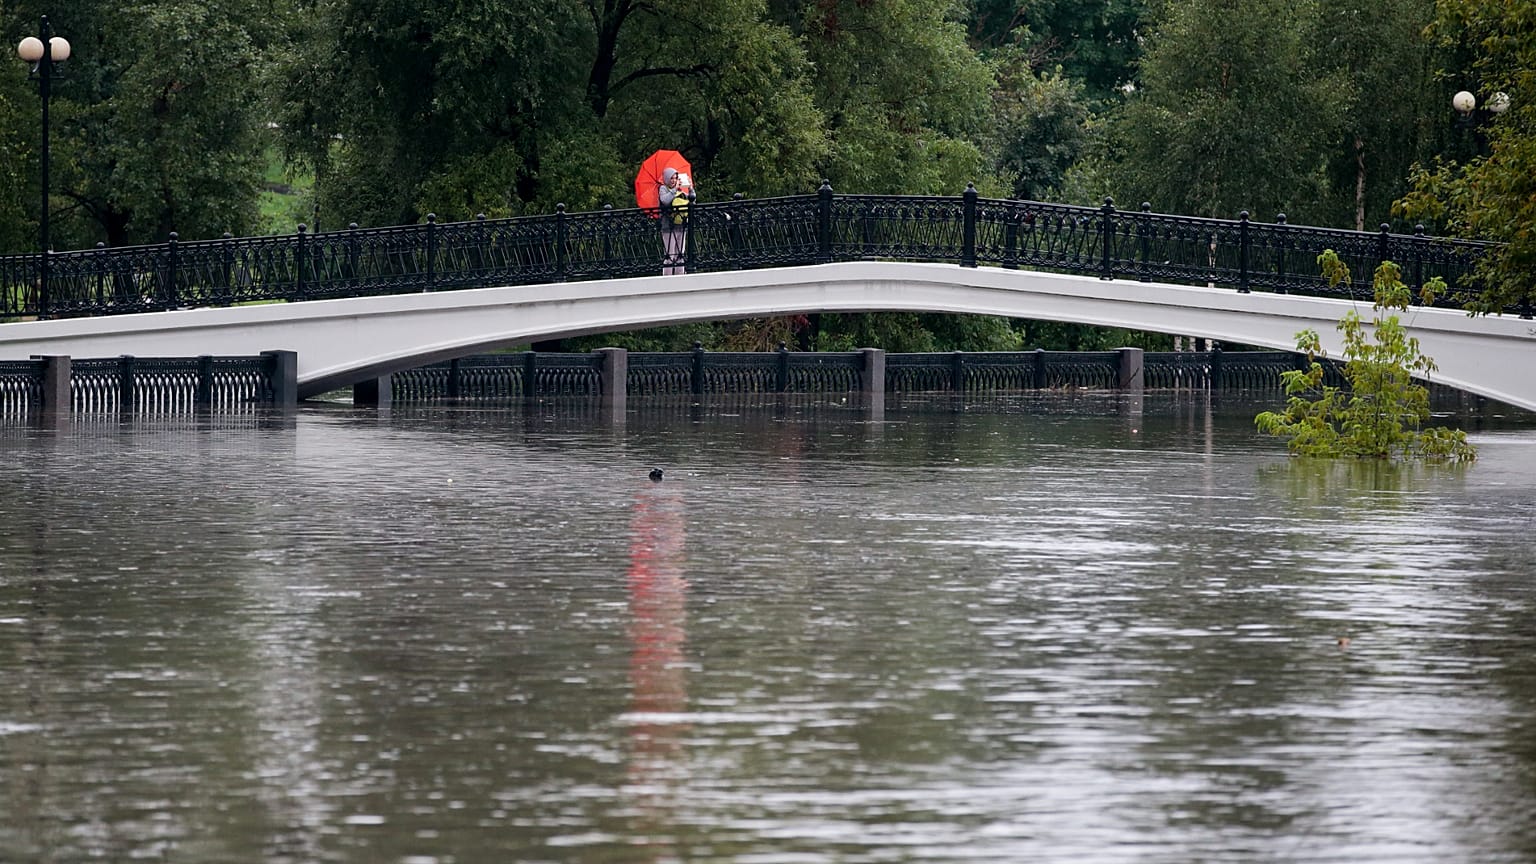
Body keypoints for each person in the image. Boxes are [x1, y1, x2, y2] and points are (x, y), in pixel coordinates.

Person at [658, 167, 694, 275]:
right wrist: (674, 190)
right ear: (666, 179)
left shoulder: (679, 190)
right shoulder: (663, 188)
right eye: (671, 178)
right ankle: (667, 277)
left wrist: (691, 189)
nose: (674, 180)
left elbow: (692, 201)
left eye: (675, 178)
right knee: (670, 254)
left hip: (680, 224)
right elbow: (665, 200)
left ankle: (680, 275)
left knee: (680, 254)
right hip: (668, 226)